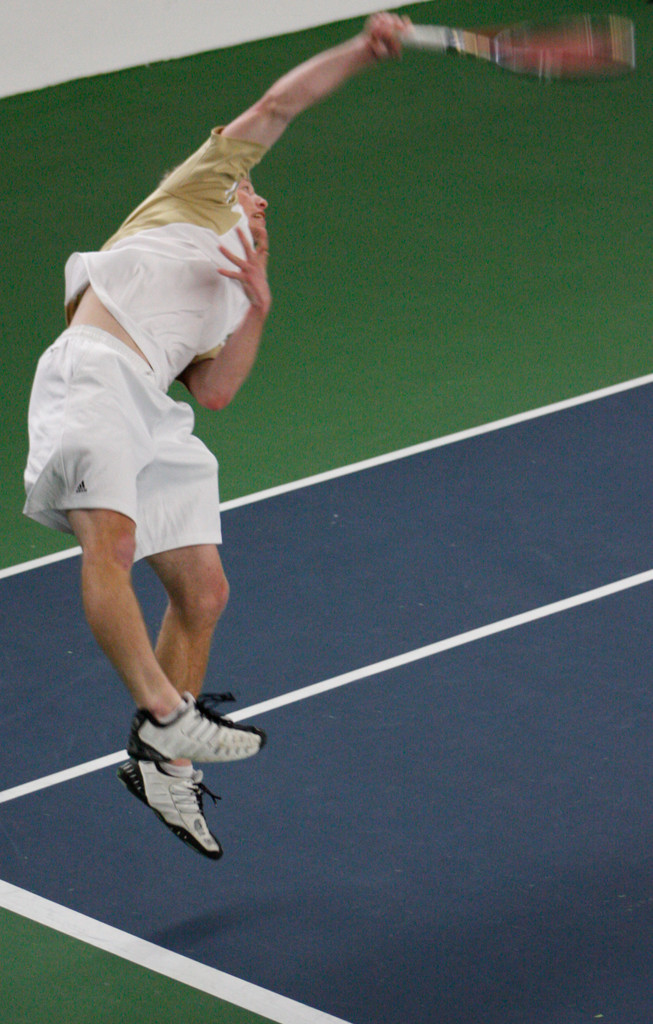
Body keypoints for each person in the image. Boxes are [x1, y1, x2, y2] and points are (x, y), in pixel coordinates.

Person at [23, 12, 411, 859]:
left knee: (203, 593)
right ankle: (170, 713)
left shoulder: (232, 290)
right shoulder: (197, 190)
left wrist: (259, 303)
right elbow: (278, 104)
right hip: (93, 373)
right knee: (113, 546)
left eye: (261, 202)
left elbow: (220, 391)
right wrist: (359, 49)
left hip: (156, 410)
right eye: (251, 190)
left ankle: (163, 764)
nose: (259, 198)